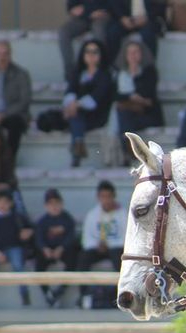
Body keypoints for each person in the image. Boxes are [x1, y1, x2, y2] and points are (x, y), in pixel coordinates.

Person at [63, 39, 114, 167]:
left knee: (75, 115)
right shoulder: (78, 73)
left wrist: (76, 105)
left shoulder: (104, 75)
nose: (91, 55)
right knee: (75, 116)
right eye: (88, 51)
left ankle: (77, 150)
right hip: (78, 114)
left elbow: (96, 99)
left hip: (97, 115)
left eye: (95, 52)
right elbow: (70, 91)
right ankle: (78, 146)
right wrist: (71, 105)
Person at [77, 180, 126, 309]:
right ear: (98, 198)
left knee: (119, 259)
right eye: (103, 197)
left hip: (116, 249)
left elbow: (126, 236)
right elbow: (86, 238)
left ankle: (120, 295)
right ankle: (84, 295)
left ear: (113, 196)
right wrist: (97, 245)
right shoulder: (92, 215)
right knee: (83, 258)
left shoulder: (122, 214)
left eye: (108, 197)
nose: (106, 200)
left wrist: (109, 244)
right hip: (97, 248)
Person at [115, 40, 164, 162]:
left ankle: (129, 149)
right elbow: (115, 96)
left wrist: (131, 98)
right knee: (124, 114)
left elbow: (148, 96)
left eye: (136, 52)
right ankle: (130, 149)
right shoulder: (120, 75)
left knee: (123, 115)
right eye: (130, 52)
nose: (133, 55)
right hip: (129, 115)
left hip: (148, 115)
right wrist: (132, 98)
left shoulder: (149, 72)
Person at [0, 189, 33, 306]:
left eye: (5, 202)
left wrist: (29, 232)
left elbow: (32, 228)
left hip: (15, 248)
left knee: (18, 264)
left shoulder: (18, 218)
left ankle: (24, 293)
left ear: (11, 203)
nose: (2, 204)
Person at [59, 0, 124, 80]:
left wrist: (88, 10)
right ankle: (71, 73)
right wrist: (72, 8)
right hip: (84, 17)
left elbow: (111, 4)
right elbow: (72, 5)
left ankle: (101, 70)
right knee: (64, 32)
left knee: (98, 31)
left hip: (103, 14)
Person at [35, 189, 78, 308]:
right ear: (46, 206)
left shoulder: (67, 219)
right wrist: (45, 249)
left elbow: (71, 237)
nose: (54, 206)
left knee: (73, 261)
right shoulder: (42, 221)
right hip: (47, 251)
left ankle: (60, 291)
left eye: (56, 203)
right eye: (50, 204)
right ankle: (48, 293)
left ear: (61, 203)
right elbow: (38, 238)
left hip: (63, 251)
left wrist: (61, 248)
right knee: (38, 265)